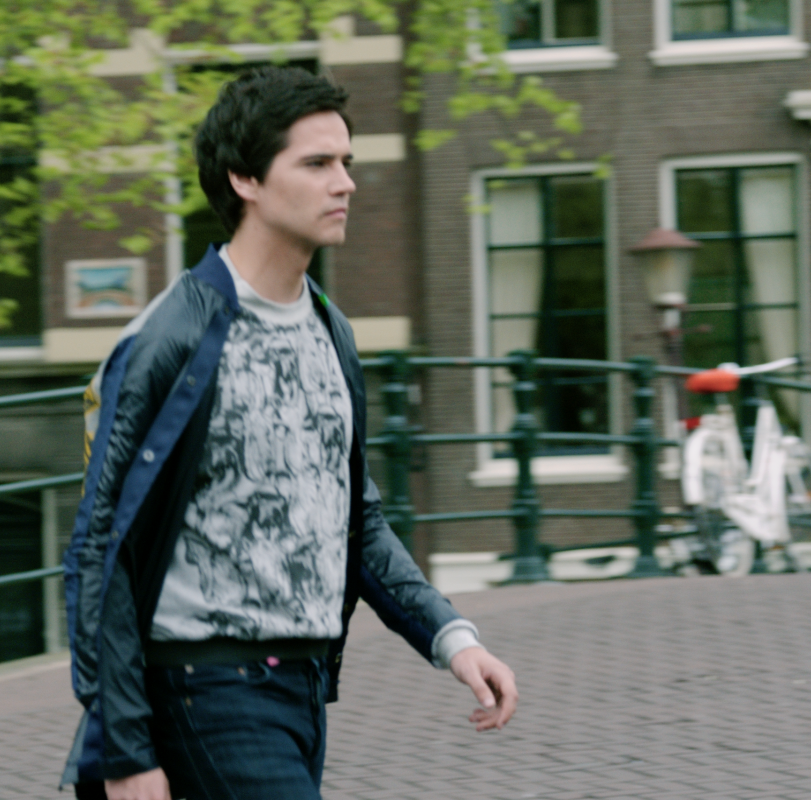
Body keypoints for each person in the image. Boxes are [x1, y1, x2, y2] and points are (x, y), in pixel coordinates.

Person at [60, 67, 519, 800]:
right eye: (317, 164)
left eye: (346, 162)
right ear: (245, 179)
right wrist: (125, 748)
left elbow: (354, 520)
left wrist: (451, 638)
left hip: (302, 689)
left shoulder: (331, 331)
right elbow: (100, 548)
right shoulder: (168, 341)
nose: (346, 183)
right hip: (205, 685)